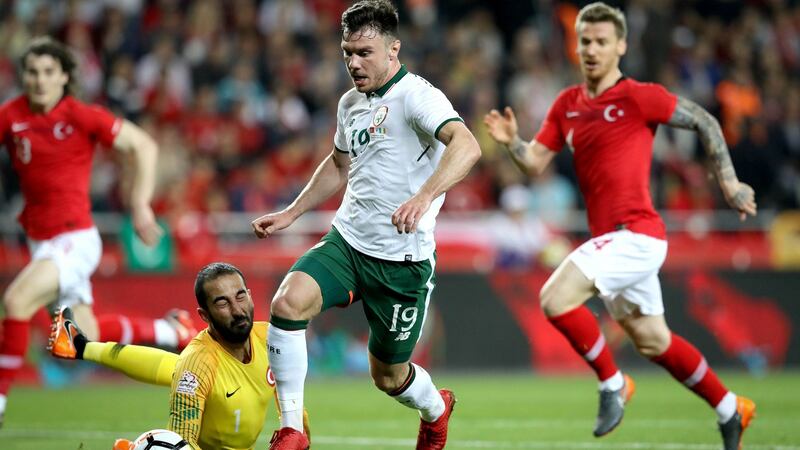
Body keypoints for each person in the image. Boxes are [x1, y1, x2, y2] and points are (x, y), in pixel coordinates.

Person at [483, 3, 756, 450]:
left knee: (554, 298)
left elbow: (704, 120)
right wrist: (514, 141)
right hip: (611, 242)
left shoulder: (637, 96)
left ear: (621, 46)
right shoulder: (567, 105)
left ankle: (613, 384)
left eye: (601, 41)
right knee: (653, 341)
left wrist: (728, 183)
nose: (591, 49)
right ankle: (731, 408)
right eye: (585, 41)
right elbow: (535, 161)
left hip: (638, 234)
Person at [251, 1, 481, 449]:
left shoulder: (417, 96)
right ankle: (293, 429)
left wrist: (424, 195)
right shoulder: (351, 103)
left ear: (393, 50)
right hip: (349, 243)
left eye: (364, 52)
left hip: (401, 262)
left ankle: (436, 410)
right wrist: (293, 212)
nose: (354, 63)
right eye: (347, 53)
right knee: (287, 303)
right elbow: (338, 165)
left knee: (388, 376)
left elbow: (467, 146)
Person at [0, 36, 194, 426]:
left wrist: (139, 205)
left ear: (64, 77)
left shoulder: (80, 115)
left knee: (16, 301)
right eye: (32, 72)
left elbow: (144, 146)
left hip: (74, 239)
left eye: (48, 72)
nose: (39, 80)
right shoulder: (11, 115)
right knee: (78, 338)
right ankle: (169, 329)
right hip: (40, 241)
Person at [49, 262, 309, 450]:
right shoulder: (196, 365)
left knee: (176, 367)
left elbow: (294, 410)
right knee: (188, 372)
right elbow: (182, 442)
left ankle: (80, 346)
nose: (238, 310)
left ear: (251, 296)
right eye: (222, 303)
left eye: (241, 297)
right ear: (204, 315)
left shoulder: (270, 338)